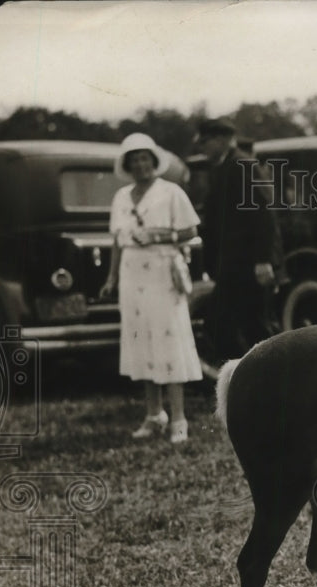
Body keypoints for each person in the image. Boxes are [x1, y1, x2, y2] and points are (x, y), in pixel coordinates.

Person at [100, 132, 202, 444]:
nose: (141, 165)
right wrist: (111, 277)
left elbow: (190, 231)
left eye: (145, 158)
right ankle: (154, 414)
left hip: (161, 275)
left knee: (168, 339)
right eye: (135, 160)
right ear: (127, 165)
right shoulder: (120, 197)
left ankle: (179, 419)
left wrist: (158, 237)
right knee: (141, 340)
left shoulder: (171, 192)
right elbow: (118, 242)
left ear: (154, 161)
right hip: (132, 279)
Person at [196, 118, 282, 364]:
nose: (203, 148)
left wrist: (264, 261)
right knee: (224, 323)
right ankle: (245, 378)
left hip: (251, 265)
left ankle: (276, 377)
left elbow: (265, 215)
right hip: (231, 266)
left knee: (257, 325)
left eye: (207, 142)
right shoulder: (223, 167)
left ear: (221, 140)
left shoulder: (244, 166)